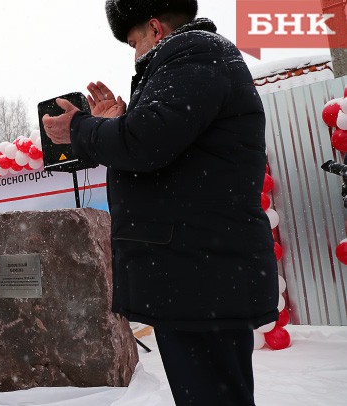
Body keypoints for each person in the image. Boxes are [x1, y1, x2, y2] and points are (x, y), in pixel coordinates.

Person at [42, 1, 278, 405]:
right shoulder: (197, 58)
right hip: (197, 269)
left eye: (134, 42)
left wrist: (80, 128)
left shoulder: (194, 53)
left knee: (211, 395)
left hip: (200, 270)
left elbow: (145, 143)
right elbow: (161, 144)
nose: (135, 54)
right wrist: (117, 123)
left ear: (155, 28)